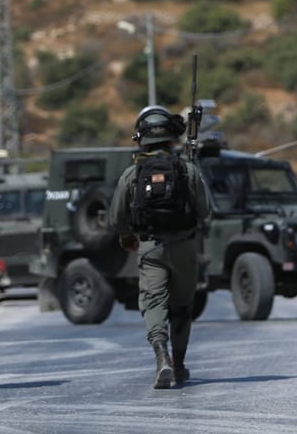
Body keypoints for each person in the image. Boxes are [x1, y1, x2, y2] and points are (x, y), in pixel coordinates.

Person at [111, 105, 211, 389]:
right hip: (183, 247)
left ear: (141, 137)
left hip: (150, 247)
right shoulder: (186, 169)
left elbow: (117, 216)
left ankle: (161, 358)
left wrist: (126, 236)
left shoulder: (133, 173)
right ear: (170, 136)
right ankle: (178, 365)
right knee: (181, 307)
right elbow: (204, 211)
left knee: (153, 303)